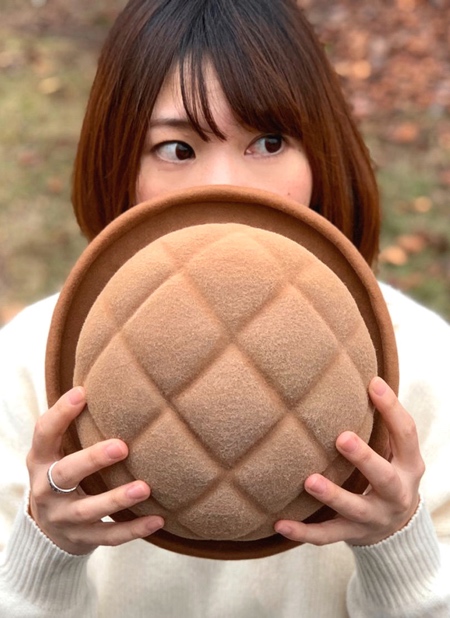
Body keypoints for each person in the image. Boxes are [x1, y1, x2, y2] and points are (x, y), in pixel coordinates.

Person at [0, 0, 449, 615]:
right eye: (177, 149)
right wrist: (44, 551)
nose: (226, 187)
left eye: (268, 141)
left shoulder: (423, 364)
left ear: (321, 153)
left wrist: (397, 543)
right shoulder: (30, 365)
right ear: (117, 164)